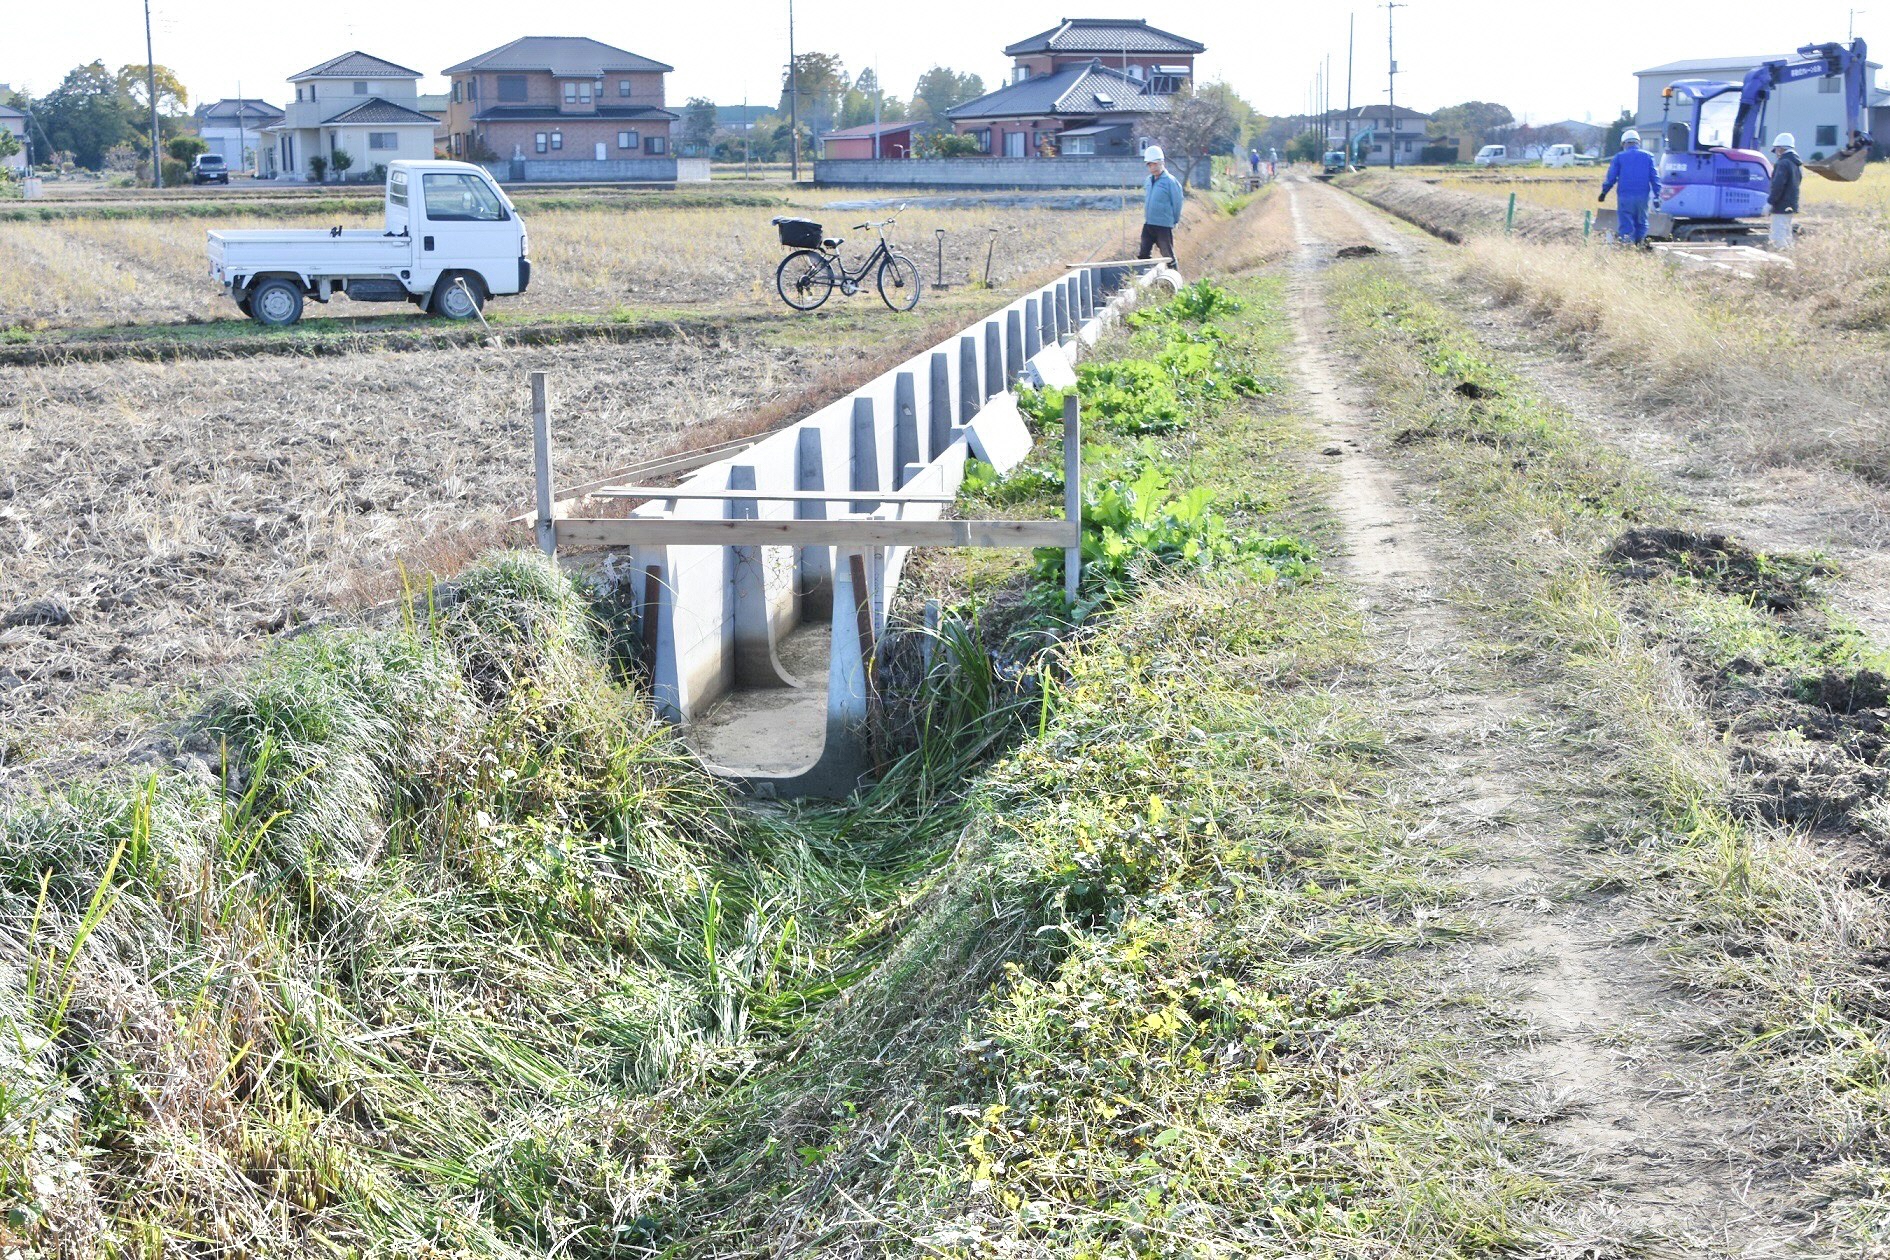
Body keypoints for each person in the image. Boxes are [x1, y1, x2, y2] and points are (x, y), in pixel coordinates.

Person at [1599, 129, 1659, 245]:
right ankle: (1639, 244)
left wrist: (1604, 192)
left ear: (1624, 144)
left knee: (1626, 222)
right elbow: (1655, 178)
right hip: (1643, 197)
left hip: (1625, 197)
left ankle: (1627, 246)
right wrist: (1657, 196)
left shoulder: (1619, 157)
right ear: (1638, 142)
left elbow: (1611, 177)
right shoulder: (1648, 157)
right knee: (1641, 222)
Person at [1139, 144, 1184, 268]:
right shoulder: (1148, 180)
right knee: (1143, 253)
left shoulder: (1170, 181)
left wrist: (1174, 220)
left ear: (1161, 162)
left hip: (1163, 225)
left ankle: (1174, 276)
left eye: (1154, 163)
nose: (1151, 167)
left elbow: (1177, 202)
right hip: (1149, 223)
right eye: (1149, 164)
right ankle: (1143, 279)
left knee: (1167, 255)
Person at [1767, 132, 1803, 251]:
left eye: (1776, 149)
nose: (1776, 153)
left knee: (1778, 236)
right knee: (1787, 234)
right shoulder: (1796, 163)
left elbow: (1777, 186)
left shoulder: (1783, 163)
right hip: (1791, 204)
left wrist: (1770, 202)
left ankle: (1780, 261)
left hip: (1781, 206)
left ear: (1781, 149)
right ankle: (1789, 258)